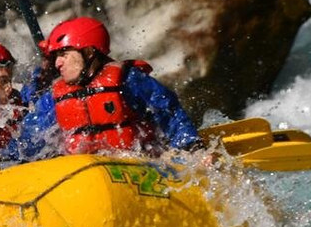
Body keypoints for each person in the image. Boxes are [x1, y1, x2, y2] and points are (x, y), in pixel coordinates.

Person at [14, 16, 202, 158]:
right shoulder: (54, 97)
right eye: (55, 57)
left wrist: (192, 147)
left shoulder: (127, 80)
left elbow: (170, 113)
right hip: (86, 177)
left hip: (140, 165)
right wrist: (6, 160)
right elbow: (29, 139)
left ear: (88, 52)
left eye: (64, 54)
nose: (58, 64)